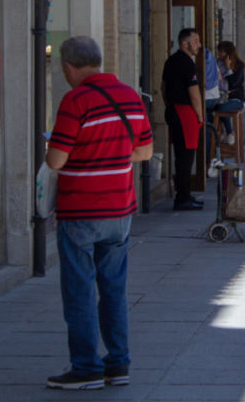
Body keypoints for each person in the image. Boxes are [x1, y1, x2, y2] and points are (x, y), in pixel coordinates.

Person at [45, 36, 153, 390]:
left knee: (79, 290)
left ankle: (86, 367)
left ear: (68, 67)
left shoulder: (75, 101)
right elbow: (145, 151)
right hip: (119, 210)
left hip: (80, 210)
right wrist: (112, 152)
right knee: (114, 289)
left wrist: (80, 154)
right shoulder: (130, 97)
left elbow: (56, 160)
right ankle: (118, 363)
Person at [161, 28, 205, 211]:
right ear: (184, 44)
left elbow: (163, 87)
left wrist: (169, 105)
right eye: (195, 41)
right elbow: (194, 92)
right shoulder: (187, 63)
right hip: (185, 112)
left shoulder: (170, 60)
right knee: (186, 157)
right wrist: (200, 115)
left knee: (181, 156)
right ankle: (182, 198)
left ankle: (185, 194)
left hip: (173, 109)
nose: (199, 45)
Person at [210, 41, 245, 134]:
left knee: (221, 109)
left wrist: (228, 68)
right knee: (213, 108)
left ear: (228, 52)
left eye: (221, 51)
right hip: (220, 97)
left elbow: (233, 83)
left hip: (236, 99)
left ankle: (230, 132)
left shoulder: (238, 65)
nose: (219, 54)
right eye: (218, 51)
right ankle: (217, 136)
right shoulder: (218, 63)